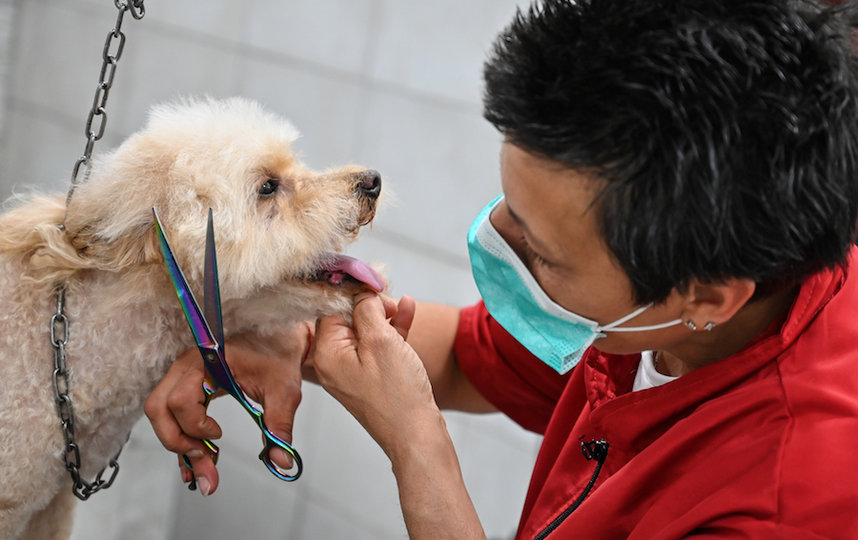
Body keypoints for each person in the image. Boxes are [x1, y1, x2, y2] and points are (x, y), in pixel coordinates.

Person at [144, 0, 858, 538]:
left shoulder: (788, 503)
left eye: (541, 253)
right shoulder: (650, 317)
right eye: (507, 205)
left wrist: (418, 448)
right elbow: (464, 358)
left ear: (707, 295)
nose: (498, 241)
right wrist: (281, 341)